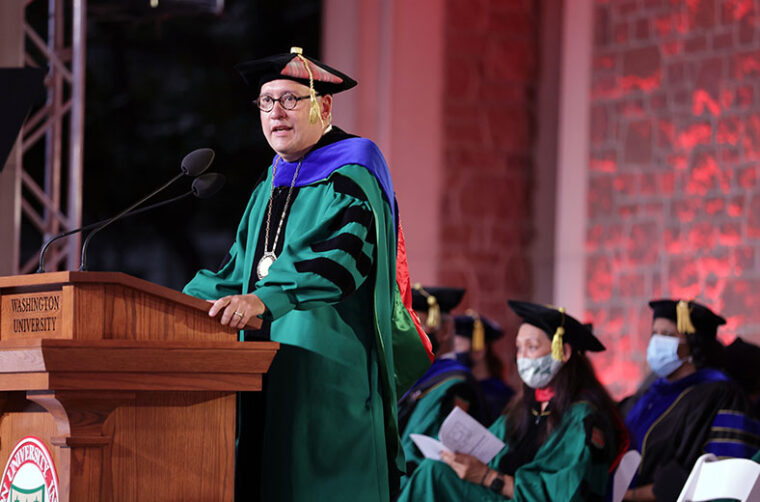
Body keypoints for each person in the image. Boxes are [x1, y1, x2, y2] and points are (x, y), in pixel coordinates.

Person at [183, 47, 431, 502]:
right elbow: (237, 268)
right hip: (263, 370)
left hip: (326, 373)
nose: (275, 112)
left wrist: (265, 300)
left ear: (325, 106)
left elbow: (341, 261)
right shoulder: (269, 184)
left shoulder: (353, 171)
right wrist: (174, 305)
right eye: (266, 101)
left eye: (290, 100)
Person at [397, 300, 626, 502]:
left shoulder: (583, 417)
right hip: (500, 494)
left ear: (563, 352)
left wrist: (488, 477)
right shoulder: (524, 407)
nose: (522, 357)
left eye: (532, 347)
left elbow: (566, 493)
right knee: (434, 470)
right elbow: (491, 450)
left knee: (434, 476)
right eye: (519, 348)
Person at [624, 299, 759, 501]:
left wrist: (630, 495)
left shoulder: (722, 395)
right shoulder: (649, 395)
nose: (657, 342)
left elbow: (723, 475)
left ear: (694, 343)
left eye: (668, 335)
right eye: (655, 333)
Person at [397, 286, 488, 480]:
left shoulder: (456, 385)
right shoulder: (415, 379)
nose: (406, 333)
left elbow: (439, 455)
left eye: (416, 323)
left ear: (445, 330)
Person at [454, 311, 515, 421]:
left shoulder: (500, 394)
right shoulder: (457, 388)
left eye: (458, 346)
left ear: (479, 351)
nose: (453, 354)